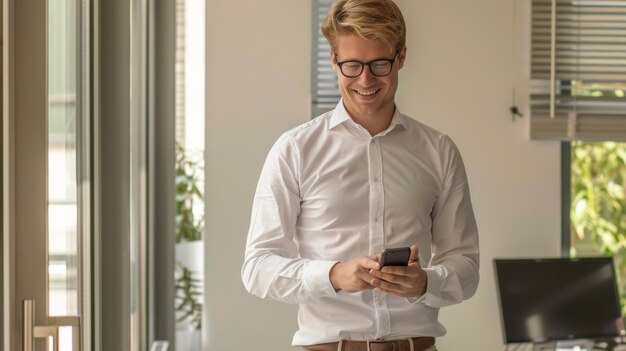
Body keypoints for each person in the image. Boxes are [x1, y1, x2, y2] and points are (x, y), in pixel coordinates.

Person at [241, 0, 479, 350]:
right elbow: (257, 268)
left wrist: (424, 283)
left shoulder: (439, 151)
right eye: (352, 65)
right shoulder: (294, 150)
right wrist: (334, 276)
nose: (365, 80)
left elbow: (467, 268)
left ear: (401, 58)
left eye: (379, 64)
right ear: (334, 62)